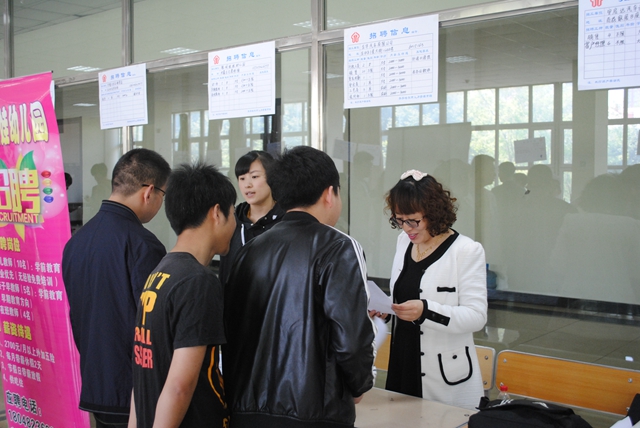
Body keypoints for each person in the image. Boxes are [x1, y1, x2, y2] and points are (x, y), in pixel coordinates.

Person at [224, 145, 376, 428]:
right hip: (316, 413)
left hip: (245, 411)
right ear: (329, 194)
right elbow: (351, 339)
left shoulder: (249, 250)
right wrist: (359, 385)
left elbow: (231, 331)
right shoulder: (339, 247)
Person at [62, 149, 171, 428]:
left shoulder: (76, 242)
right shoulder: (143, 244)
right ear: (149, 192)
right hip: (133, 392)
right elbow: (154, 326)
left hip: (95, 384)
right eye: (163, 194)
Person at [129, 163, 236, 428]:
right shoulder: (198, 282)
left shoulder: (160, 272)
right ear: (217, 213)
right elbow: (180, 386)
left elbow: (141, 375)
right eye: (233, 213)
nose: (235, 224)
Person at [383, 169, 487, 410]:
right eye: (399, 220)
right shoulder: (403, 242)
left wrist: (426, 311)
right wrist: (386, 309)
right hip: (402, 359)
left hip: (444, 372)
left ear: (433, 213)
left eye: (413, 220)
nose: (406, 228)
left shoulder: (466, 250)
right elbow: (405, 293)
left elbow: (477, 316)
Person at [217, 150, 284, 285]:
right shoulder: (232, 220)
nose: (247, 185)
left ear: (272, 177)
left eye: (254, 177)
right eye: (242, 178)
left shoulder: (286, 221)